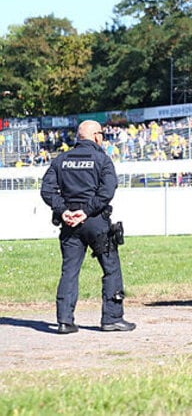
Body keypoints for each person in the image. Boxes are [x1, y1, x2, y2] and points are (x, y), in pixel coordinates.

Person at [40, 120, 135, 334]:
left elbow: (47, 190)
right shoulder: (102, 159)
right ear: (95, 136)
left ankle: (64, 321)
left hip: (69, 224)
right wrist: (86, 211)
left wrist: (63, 210)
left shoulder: (61, 159)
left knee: (69, 271)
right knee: (111, 268)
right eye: (101, 134)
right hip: (95, 222)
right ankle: (112, 318)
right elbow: (107, 191)